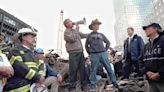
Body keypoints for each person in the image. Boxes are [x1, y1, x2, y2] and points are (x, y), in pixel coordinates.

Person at [85, 19, 118, 90]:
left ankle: (114, 82)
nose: (98, 26)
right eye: (96, 24)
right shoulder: (89, 36)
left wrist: (105, 50)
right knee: (93, 69)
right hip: (94, 55)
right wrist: (90, 53)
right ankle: (93, 84)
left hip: (103, 53)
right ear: (93, 26)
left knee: (109, 68)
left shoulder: (101, 35)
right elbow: (86, 46)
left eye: (98, 24)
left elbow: (108, 42)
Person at [64, 18, 87, 92]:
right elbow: (73, 39)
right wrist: (77, 29)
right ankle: (72, 87)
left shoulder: (74, 31)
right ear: (66, 24)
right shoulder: (66, 32)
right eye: (70, 21)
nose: (72, 22)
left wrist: (91, 34)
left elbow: (82, 35)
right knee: (73, 70)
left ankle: (84, 86)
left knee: (82, 69)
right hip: (73, 53)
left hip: (80, 52)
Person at [140, 23, 164, 92]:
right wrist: (147, 72)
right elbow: (140, 61)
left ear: (156, 29)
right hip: (151, 82)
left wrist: (160, 73)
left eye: (147, 28)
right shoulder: (145, 46)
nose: (145, 30)